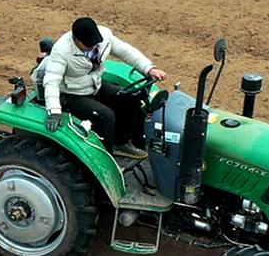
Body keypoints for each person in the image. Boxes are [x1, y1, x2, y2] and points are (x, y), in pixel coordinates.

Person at [39, 16, 170, 159]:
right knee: (106, 115)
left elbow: (126, 51)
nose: (93, 46)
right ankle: (107, 158)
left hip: (94, 85)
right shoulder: (62, 50)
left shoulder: (103, 37)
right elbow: (51, 80)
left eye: (95, 43)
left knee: (131, 99)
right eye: (88, 44)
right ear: (76, 40)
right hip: (72, 93)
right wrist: (54, 111)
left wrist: (149, 69)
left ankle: (122, 143)